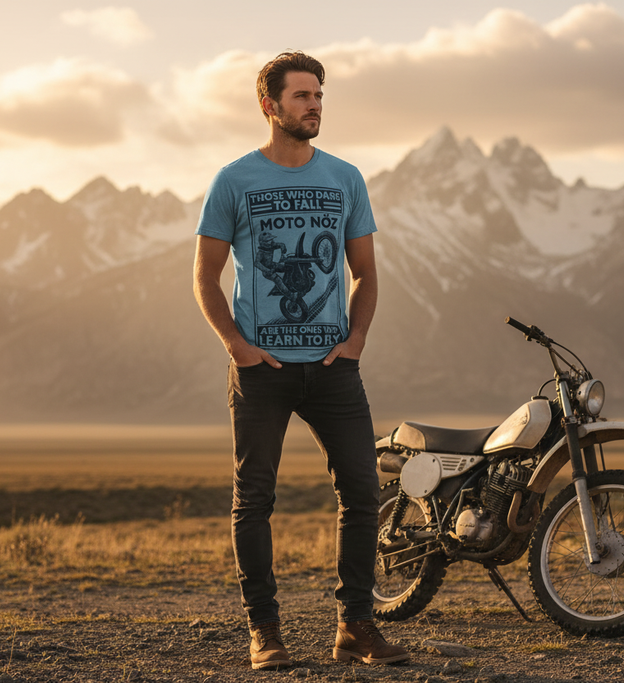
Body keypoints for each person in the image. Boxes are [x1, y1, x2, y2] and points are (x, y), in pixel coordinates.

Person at [192, 51, 409, 670]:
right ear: (270, 106)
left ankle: (355, 627)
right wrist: (237, 346)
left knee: (364, 494)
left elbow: (363, 273)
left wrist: (356, 338)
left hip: (334, 368)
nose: (314, 105)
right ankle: (265, 632)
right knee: (254, 499)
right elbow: (205, 276)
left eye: (319, 95)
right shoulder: (234, 181)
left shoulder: (345, 178)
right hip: (262, 371)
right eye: (301, 96)